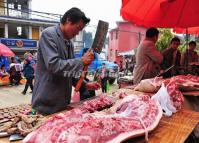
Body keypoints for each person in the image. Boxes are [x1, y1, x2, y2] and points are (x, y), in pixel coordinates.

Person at [32, 7, 100, 115]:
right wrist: (81, 61)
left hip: (62, 103)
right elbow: (54, 65)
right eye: (77, 28)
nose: (77, 33)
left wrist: (85, 85)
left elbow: (69, 73)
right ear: (68, 21)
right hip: (46, 103)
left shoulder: (69, 43)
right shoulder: (48, 35)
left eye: (80, 30)